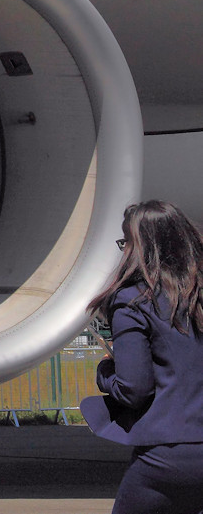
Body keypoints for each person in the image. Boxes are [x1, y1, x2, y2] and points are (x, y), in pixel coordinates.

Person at [82, 200, 203, 514]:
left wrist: (105, 372)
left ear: (140, 248)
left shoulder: (134, 302)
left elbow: (134, 389)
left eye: (126, 243)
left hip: (171, 455)